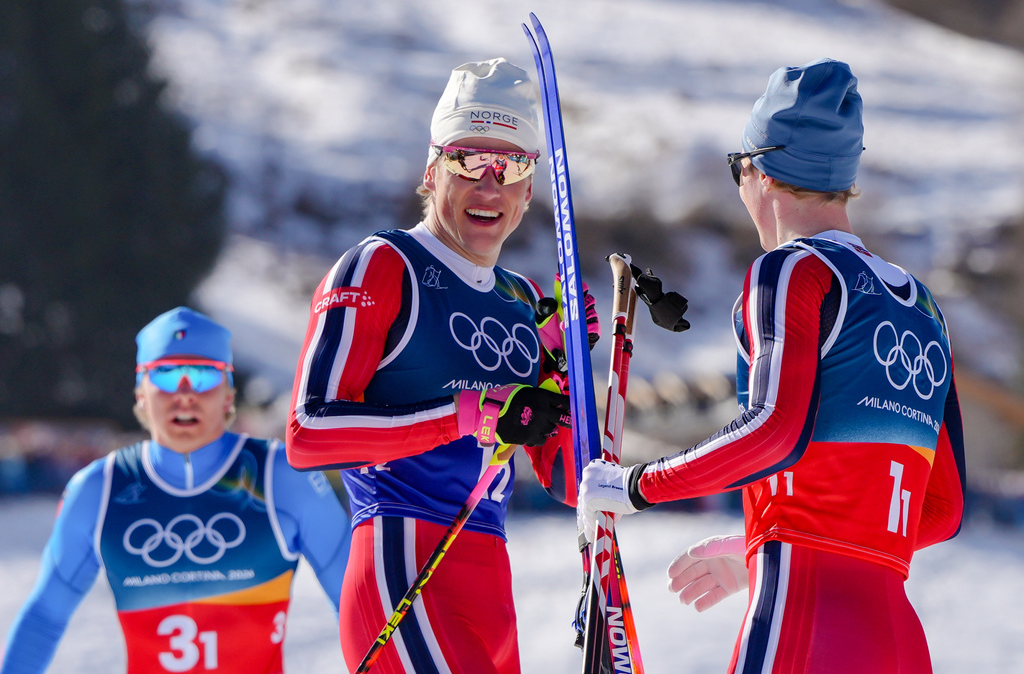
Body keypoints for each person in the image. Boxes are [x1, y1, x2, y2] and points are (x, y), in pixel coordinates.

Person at [579, 58, 966, 673]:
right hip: (895, 635)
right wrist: (760, 544)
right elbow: (942, 512)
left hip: (802, 615)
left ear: (760, 168)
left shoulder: (793, 271)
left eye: (739, 169)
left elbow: (773, 432)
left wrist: (636, 485)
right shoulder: (923, 307)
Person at [285, 57, 598, 674]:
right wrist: (466, 416)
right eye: (467, 162)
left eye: (508, 166)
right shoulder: (381, 265)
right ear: (431, 172)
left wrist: (570, 366)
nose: (489, 185)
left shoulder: (520, 300)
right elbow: (307, 435)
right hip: (405, 566)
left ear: (529, 188)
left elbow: (568, 481)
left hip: (490, 580)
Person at [2, 307, 352, 674]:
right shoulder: (98, 490)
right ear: (141, 395)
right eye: (166, 375)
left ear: (228, 396)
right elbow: (43, 618)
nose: (185, 394)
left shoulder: (281, 476)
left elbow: (355, 604)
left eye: (203, 375)